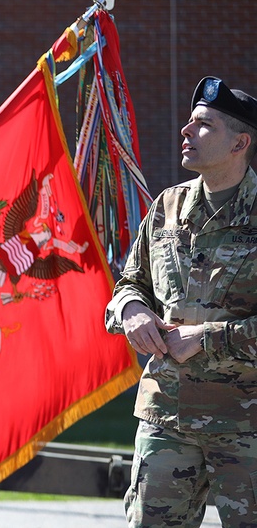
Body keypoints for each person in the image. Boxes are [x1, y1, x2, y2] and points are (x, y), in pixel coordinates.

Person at [106, 76, 257, 527]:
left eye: (203, 125)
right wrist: (131, 311)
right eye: (189, 123)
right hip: (166, 419)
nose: (185, 132)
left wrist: (208, 339)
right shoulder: (167, 207)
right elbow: (128, 285)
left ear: (240, 143)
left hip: (245, 427)